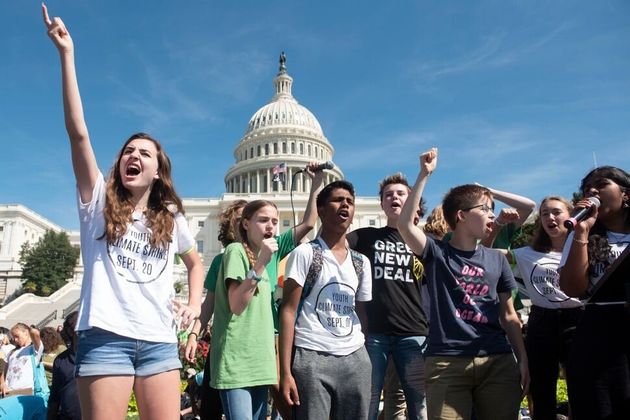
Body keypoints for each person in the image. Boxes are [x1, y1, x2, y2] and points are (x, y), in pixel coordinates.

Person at [43, 5, 204, 419]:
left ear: (157, 170)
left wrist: (194, 302)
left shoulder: (170, 217)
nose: (133, 156)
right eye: (128, 151)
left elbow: (195, 260)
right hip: (105, 337)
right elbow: (77, 133)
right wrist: (67, 55)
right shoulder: (96, 201)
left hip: (159, 342)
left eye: (144, 153)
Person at [398, 148, 529, 420]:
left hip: (497, 359)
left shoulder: (497, 259)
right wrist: (423, 175)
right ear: (461, 215)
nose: (492, 216)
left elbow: (509, 315)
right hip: (446, 362)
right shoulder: (436, 253)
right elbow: (405, 227)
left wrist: (523, 358)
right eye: (486, 209)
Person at [280, 180, 373, 420]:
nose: (345, 205)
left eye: (350, 202)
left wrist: (365, 353)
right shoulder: (305, 253)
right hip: (312, 355)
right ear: (321, 210)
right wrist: (285, 372)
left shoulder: (362, 262)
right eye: (338, 200)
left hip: (355, 357)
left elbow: (362, 313)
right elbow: (288, 311)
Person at [346, 173, 429, 420]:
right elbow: (328, 242)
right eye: (388, 195)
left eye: (401, 193)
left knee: (418, 402)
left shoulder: (426, 243)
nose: (394, 197)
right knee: (368, 400)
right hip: (374, 334)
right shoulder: (365, 237)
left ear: (414, 201)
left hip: (413, 332)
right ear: (381, 204)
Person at [558, 166, 630, 419]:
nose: (592, 190)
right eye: (587, 187)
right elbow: (572, 288)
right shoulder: (579, 233)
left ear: (625, 194)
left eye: (601, 184)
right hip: (598, 333)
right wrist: (582, 233)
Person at [210, 200, 282, 420]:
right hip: (237, 362)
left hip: (260, 362)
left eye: (275, 221)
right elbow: (237, 305)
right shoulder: (235, 251)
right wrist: (260, 263)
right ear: (245, 224)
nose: (270, 226)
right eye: (263, 220)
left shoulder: (265, 265)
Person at [512, 197, 583, 420]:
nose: (550, 218)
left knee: (581, 385)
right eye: (544, 214)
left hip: (579, 318)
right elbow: (488, 251)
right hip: (542, 321)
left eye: (556, 212)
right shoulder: (525, 254)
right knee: (542, 387)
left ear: (571, 215)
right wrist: (499, 225)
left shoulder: (585, 247)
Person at [47, 311, 81, 420]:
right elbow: (54, 397)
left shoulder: (99, 358)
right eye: (80, 322)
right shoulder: (60, 360)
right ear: (70, 331)